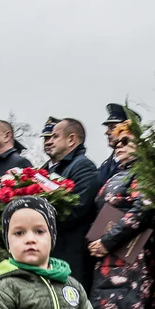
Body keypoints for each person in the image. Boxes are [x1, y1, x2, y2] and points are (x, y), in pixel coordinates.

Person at [87, 123, 155, 309]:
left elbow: (141, 212)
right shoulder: (116, 176)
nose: (121, 147)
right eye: (117, 144)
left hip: (135, 256)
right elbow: (105, 211)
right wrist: (97, 241)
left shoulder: (146, 174)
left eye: (127, 142)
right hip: (110, 258)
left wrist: (105, 240)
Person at [43, 118, 100, 284]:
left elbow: (78, 206)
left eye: (55, 136)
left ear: (71, 139)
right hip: (55, 251)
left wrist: (41, 222)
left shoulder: (83, 166)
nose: (50, 140)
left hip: (72, 256)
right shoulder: (48, 169)